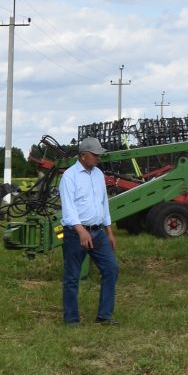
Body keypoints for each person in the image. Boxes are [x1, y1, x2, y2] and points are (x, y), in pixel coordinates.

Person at [59, 136, 120, 325]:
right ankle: (71, 320)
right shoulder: (69, 177)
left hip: (98, 232)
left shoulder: (98, 174)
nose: (99, 158)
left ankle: (104, 316)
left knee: (111, 268)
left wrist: (109, 231)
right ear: (84, 156)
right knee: (72, 276)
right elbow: (68, 208)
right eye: (95, 155)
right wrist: (80, 231)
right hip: (75, 234)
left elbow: (103, 204)